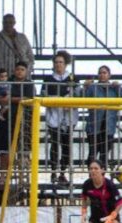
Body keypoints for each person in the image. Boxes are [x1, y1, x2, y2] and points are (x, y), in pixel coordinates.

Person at [41, 50, 79, 185]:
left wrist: (71, 99)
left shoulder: (73, 78)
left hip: (69, 117)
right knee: (54, 144)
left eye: (61, 62)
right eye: (56, 62)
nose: (58, 65)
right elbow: (43, 95)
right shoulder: (48, 79)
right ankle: (53, 172)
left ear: (66, 64)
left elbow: (78, 95)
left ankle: (63, 172)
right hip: (54, 116)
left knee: (66, 145)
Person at [0, 61, 34, 182]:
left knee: (23, 151)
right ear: (14, 70)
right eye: (17, 69)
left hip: (24, 121)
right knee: (4, 151)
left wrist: (11, 99)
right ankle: (3, 177)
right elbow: (2, 100)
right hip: (7, 120)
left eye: (22, 69)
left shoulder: (29, 84)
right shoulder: (8, 82)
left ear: (26, 71)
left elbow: (29, 99)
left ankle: (22, 177)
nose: (19, 71)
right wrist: (19, 99)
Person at [84, 65, 122, 169]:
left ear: (109, 75)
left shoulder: (113, 88)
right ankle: (91, 173)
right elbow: (83, 97)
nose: (102, 75)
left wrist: (118, 87)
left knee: (105, 152)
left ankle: (102, 174)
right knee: (93, 152)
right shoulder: (93, 87)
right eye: (100, 73)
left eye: (104, 73)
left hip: (109, 126)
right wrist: (85, 87)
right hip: (94, 126)